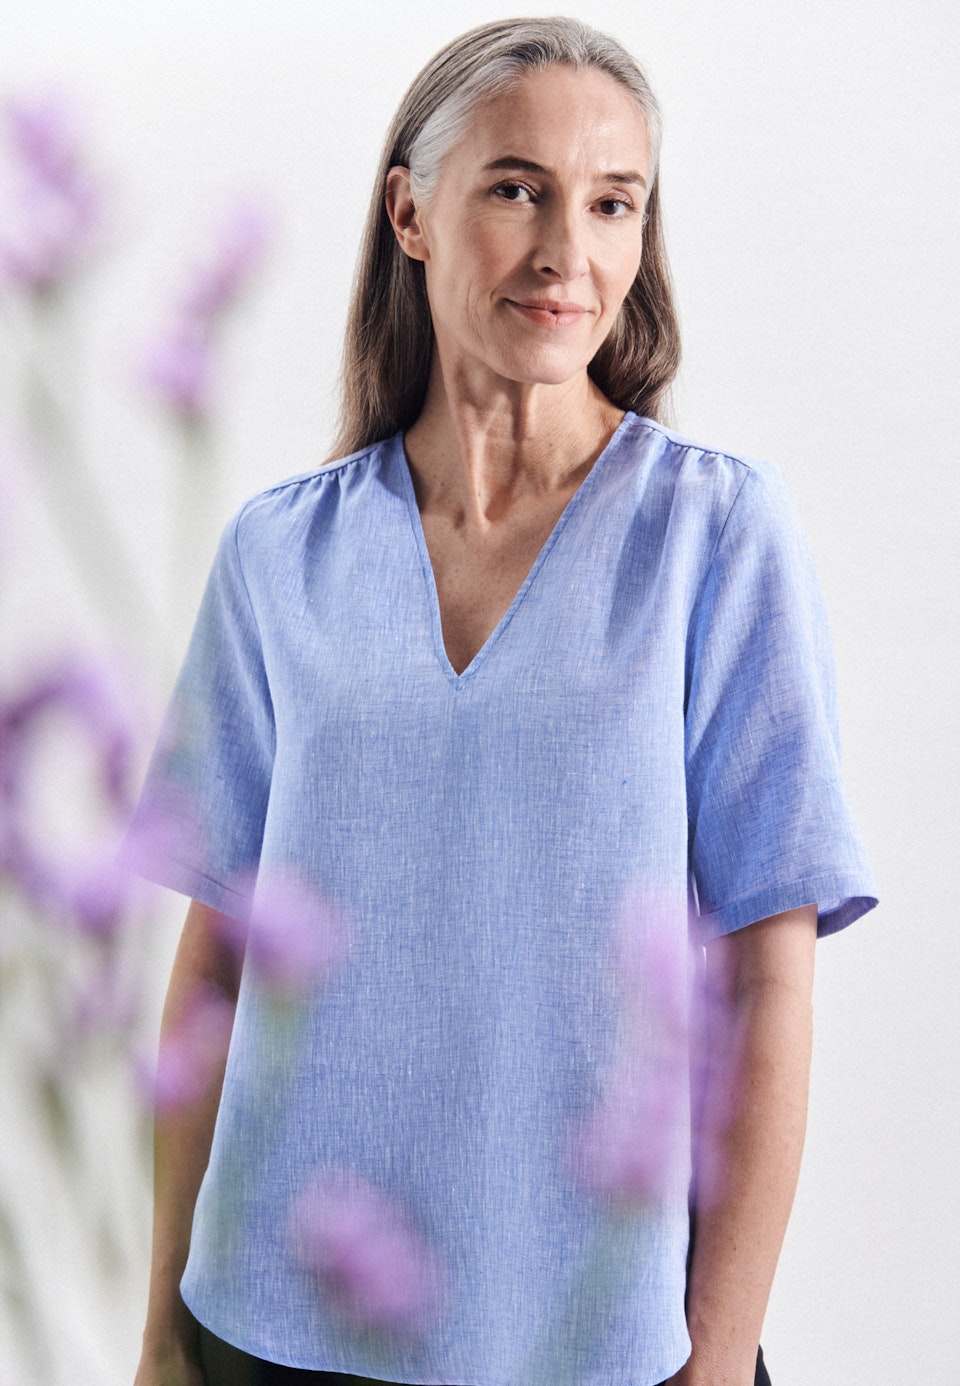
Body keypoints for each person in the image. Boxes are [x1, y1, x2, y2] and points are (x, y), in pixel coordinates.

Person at [131, 17, 877, 1386]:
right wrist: (161, 1336)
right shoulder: (279, 553)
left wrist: (714, 1360)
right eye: (518, 189)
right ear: (411, 213)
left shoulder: (714, 536)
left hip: (600, 1343)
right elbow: (220, 966)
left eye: (613, 203)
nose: (566, 251)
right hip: (275, 1324)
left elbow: (768, 977)